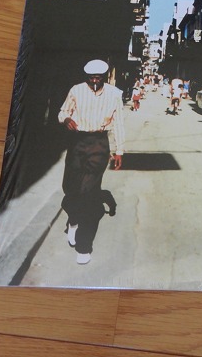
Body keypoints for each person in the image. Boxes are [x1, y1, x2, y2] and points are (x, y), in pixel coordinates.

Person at [58, 59, 125, 265]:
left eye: (98, 78)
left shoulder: (115, 94)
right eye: (91, 78)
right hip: (77, 143)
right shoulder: (76, 90)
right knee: (71, 189)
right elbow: (62, 112)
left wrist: (119, 151)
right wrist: (66, 120)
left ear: (104, 76)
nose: (94, 81)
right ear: (86, 77)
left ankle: (84, 246)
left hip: (99, 144)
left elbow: (119, 123)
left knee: (88, 193)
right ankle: (73, 220)